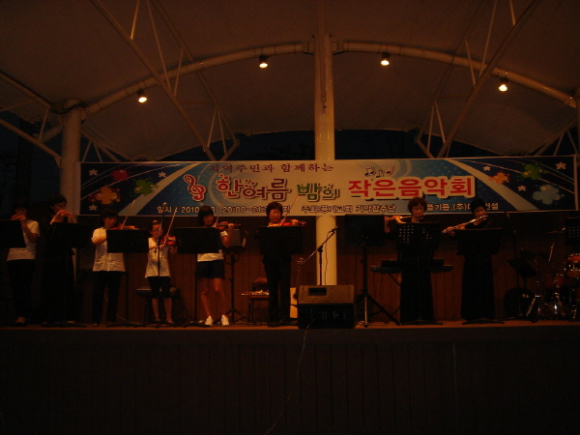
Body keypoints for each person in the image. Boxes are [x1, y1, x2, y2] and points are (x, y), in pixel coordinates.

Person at [384, 196, 437, 324]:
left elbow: (431, 239)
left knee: (424, 288)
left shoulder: (428, 223)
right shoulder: (405, 223)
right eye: (416, 209)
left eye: (421, 208)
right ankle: (408, 318)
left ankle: (427, 317)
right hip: (408, 260)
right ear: (411, 210)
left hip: (423, 260)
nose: (419, 211)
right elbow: (392, 236)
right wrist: (386, 224)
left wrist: (399, 222)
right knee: (408, 289)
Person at [444, 197, 496, 321]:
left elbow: (483, 236)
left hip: (484, 260)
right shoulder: (468, 225)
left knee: (485, 287)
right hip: (471, 261)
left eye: (482, 210)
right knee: (471, 288)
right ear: (473, 213)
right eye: (477, 211)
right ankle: (472, 315)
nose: (480, 213)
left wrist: (465, 231)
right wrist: (453, 232)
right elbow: (458, 238)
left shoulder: (489, 223)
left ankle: (487, 314)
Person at [37, 193, 77, 325]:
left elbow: (73, 235)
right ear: (52, 207)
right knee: (51, 285)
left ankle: (67, 315)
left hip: (65, 254)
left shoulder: (65, 218)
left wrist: (70, 220)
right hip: (51, 255)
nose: (62, 208)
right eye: (59, 206)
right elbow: (47, 232)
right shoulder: (46, 218)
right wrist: (56, 219)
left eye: (63, 206)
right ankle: (49, 317)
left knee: (66, 284)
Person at [262, 201, 298, 327]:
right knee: (272, 289)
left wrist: (294, 227)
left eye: (278, 212)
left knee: (285, 289)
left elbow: (294, 239)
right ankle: (273, 318)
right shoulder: (265, 229)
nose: (276, 215)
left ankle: (285, 317)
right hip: (270, 261)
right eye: (273, 212)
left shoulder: (286, 227)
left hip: (284, 260)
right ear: (268, 214)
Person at [196, 206, 233, 326]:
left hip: (217, 259)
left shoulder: (219, 229)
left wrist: (230, 231)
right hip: (202, 260)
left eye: (210, 216)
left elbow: (227, 244)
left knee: (218, 290)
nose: (209, 218)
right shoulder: (199, 230)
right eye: (206, 216)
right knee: (204, 291)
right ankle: (209, 317)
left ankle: (224, 316)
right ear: (202, 218)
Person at [6, 198, 40, 326]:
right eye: (18, 210)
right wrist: (11, 225)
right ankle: (18, 314)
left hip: (27, 257)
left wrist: (24, 224)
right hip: (12, 257)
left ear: (27, 211)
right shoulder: (12, 223)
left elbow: (32, 239)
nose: (20, 212)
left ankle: (24, 315)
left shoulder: (33, 223)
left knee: (25, 287)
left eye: (23, 209)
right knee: (15, 287)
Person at [91, 208, 125, 327]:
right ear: (103, 219)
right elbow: (95, 241)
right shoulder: (98, 231)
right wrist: (110, 233)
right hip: (101, 266)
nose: (112, 221)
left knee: (113, 295)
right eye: (109, 218)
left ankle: (111, 319)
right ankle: (96, 320)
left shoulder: (120, 231)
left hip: (116, 266)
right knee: (97, 294)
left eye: (114, 219)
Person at [146, 219, 178, 325]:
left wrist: (173, 247)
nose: (158, 231)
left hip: (164, 270)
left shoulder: (165, 240)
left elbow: (173, 253)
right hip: (152, 270)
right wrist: (157, 246)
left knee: (166, 294)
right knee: (154, 294)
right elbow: (147, 248)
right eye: (156, 230)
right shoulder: (149, 240)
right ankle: (157, 317)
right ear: (151, 231)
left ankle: (169, 317)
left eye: (160, 229)